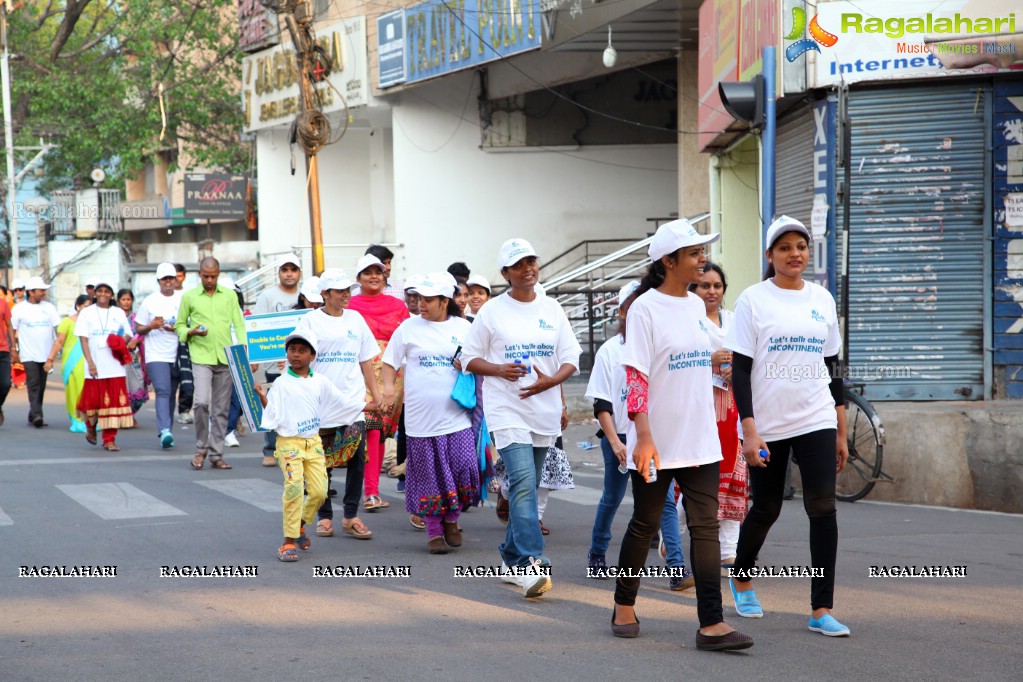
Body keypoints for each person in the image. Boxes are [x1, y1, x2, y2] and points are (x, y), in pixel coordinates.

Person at [610, 218, 752, 652]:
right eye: (693, 253)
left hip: (701, 438)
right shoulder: (644, 309)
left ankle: (712, 623)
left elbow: (683, 359)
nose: (702, 260)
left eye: (702, 252)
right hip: (658, 440)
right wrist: (645, 436)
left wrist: (711, 360)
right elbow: (636, 376)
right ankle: (623, 604)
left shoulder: (694, 306)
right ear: (668, 261)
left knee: (705, 527)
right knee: (645, 523)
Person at [725, 216, 850, 637]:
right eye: (785, 248)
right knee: (767, 507)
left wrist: (841, 425)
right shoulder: (753, 300)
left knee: (823, 508)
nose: (795, 253)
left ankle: (821, 609)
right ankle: (741, 576)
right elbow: (740, 371)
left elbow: (833, 368)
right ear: (770, 256)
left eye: (801, 246)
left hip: (816, 416)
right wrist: (750, 429)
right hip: (768, 423)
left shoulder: (822, 299)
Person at [462, 238, 581, 598]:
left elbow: (570, 357)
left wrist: (553, 383)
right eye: (519, 264)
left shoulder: (553, 309)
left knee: (523, 486)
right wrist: (498, 369)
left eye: (532, 261)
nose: (528, 268)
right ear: (506, 273)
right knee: (525, 480)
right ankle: (531, 561)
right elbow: (468, 358)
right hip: (506, 409)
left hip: (542, 410)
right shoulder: (492, 311)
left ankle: (510, 557)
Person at [381, 272, 478, 554]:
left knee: (464, 468)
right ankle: (435, 531)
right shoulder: (408, 328)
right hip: (420, 420)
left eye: (427, 299)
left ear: (444, 300)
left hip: (457, 415)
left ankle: (452, 517)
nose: (420, 303)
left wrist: (468, 365)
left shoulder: (464, 327)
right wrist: (388, 389)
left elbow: (479, 360)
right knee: (428, 477)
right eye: (418, 298)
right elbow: (390, 362)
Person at [255, 329, 374, 562]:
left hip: (314, 443)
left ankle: (299, 524)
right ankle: (288, 542)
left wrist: (372, 407)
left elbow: (343, 403)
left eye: (302, 351)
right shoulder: (281, 383)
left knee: (319, 492)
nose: (296, 355)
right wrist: (261, 395)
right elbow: (273, 413)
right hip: (289, 444)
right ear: (286, 353)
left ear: (312, 355)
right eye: (292, 350)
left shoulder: (321, 381)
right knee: (293, 490)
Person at [293, 269, 381, 540]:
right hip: (319, 404)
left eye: (348, 290)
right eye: (340, 291)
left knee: (356, 459)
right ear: (325, 294)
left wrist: (376, 396)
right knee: (321, 463)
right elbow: (297, 358)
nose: (346, 295)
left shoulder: (356, 319)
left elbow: (366, 359)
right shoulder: (309, 321)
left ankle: (351, 516)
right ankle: (325, 516)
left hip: (353, 403)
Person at [687, 262, 748, 573]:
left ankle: (729, 550)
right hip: (698, 404)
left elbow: (752, 355)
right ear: (693, 289)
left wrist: (734, 366)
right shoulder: (687, 320)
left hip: (733, 406)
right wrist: (708, 362)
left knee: (734, 474)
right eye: (704, 285)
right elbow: (674, 361)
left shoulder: (735, 321)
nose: (711, 291)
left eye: (717, 286)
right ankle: (673, 535)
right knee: (697, 474)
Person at [348, 253, 411, 511]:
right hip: (359, 371)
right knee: (370, 428)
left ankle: (371, 490)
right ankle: (370, 492)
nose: (373, 276)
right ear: (359, 278)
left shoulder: (398, 307)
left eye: (378, 271)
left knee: (382, 431)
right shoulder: (349, 307)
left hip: (391, 374)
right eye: (367, 272)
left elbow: (407, 340)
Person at [175, 257, 247, 470]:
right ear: (199, 274)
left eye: (213, 276)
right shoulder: (189, 297)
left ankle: (216, 454)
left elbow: (239, 324)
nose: (209, 280)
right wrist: (190, 331)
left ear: (218, 274)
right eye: (206, 276)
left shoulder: (230, 296)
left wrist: (243, 347)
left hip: (225, 356)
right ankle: (201, 448)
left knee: (221, 409)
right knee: (201, 402)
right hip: (201, 356)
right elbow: (179, 325)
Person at [253, 255, 303, 467]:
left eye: (293, 269)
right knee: (274, 405)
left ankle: (298, 447)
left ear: (299, 273)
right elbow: (256, 328)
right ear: (279, 273)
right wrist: (254, 357)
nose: (289, 273)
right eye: (285, 269)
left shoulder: (305, 295)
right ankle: (270, 449)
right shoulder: (267, 295)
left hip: (302, 363)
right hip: (275, 365)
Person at [76, 279, 134, 450]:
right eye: (99, 291)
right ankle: (91, 427)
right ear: (95, 293)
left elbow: (129, 334)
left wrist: (118, 341)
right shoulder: (87, 313)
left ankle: (109, 439)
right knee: (92, 401)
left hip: (114, 365)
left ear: (111, 294)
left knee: (113, 403)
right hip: (94, 365)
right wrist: (90, 362)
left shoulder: (118, 312)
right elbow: (83, 339)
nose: (103, 294)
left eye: (106, 291)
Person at [134, 263, 184, 448]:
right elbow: (138, 327)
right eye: (165, 279)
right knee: (163, 390)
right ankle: (164, 430)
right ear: (159, 281)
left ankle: (167, 429)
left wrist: (176, 328)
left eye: (171, 278)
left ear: (176, 280)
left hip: (177, 353)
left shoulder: (183, 299)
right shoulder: (150, 301)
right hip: (156, 354)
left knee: (171, 394)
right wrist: (151, 326)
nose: (168, 282)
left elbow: (190, 323)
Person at [11, 276, 61, 428]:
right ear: (31, 292)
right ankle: (38, 415)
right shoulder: (19, 309)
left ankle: (32, 413)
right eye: (41, 290)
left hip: (46, 354)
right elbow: (12, 329)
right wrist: (14, 349)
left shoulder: (49, 308)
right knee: (33, 384)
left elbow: (58, 327)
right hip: (28, 354)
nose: (44, 293)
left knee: (42, 385)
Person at [46, 295, 92, 432]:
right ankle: (76, 420)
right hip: (72, 362)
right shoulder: (67, 322)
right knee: (74, 391)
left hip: (89, 360)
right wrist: (50, 359)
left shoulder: (93, 322)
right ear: (78, 306)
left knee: (89, 391)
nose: (88, 310)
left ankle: (90, 420)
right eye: (85, 307)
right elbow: (59, 342)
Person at [117, 288, 149, 420]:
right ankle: (122, 416)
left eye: (128, 299)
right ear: (118, 301)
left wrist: (135, 340)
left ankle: (129, 414)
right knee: (119, 388)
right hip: (115, 357)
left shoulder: (137, 318)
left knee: (137, 389)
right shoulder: (114, 316)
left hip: (132, 357)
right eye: (123, 299)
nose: (126, 302)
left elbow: (141, 332)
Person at [172, 263, 194, 424]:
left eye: (179, 276)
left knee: (188, 377)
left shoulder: (190, 294)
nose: (176, 279)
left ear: (184, 276)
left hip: (187, 340)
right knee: (171, 379)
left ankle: (185, 409)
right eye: (174, 276)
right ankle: (166, 411)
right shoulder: (162, 296)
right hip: (166, 342)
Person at [0, 290, 14, 427]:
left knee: (5, 383)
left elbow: (9, 326)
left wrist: (14, 348)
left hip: (3, 350)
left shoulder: (3, 304)